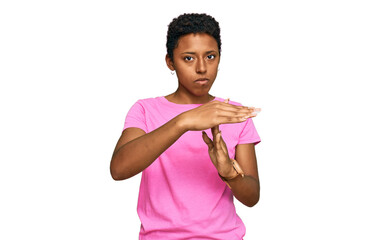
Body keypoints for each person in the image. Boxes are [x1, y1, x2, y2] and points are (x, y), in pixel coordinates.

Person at [110, 13, 261, 240]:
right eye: (188, 58)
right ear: (170, 61)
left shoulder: (233, 113)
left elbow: (252, 197)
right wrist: (183, 121)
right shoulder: (145, 110)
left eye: (210, 56)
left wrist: (230, 174)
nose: (202, 68)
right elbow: (119, 169)